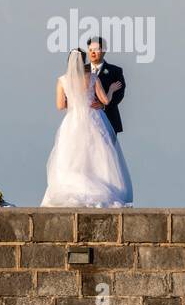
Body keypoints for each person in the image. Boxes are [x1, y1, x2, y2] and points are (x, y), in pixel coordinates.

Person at [41, 46, 133, 207]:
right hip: (93, 118)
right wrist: (111, 89)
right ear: (83, 60)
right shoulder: (92, 78)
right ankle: (102, 187)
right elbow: (105, 101)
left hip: (73, 121)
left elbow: (60, 105)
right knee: (97, 155)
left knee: (72, 156)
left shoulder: (62, 80)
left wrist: (75, 101)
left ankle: (72, 186)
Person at [84, 36, 126, 134]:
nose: (93, 53)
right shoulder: (81, 70)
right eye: (90, 50)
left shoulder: (115, 71)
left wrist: (103, 105)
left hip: (108, 118)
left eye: (96, 50)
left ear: (104, 50)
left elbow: (119, 94)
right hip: (85, 119)